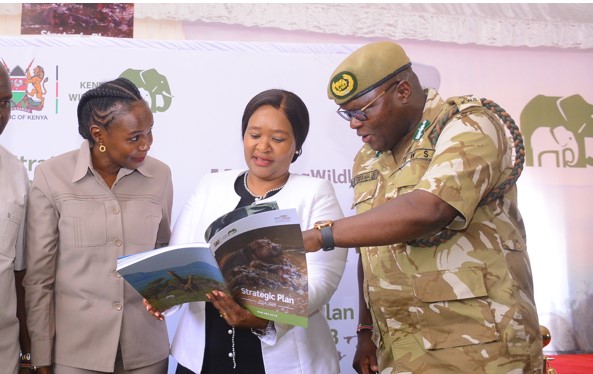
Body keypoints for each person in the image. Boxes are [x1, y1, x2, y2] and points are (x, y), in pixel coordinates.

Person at [302, 41, 544, 373]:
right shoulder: (368, 157)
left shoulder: (468, 125)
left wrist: (320, 236)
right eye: (347, 114)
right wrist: (366, 332)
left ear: (402, 91)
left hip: (479, 347)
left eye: (362, 111)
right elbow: (369, 247)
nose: (354, 124)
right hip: (402, 350)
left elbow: (430, 209)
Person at [162, 89, 347, 373]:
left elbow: (323, 281)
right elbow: (179, 257)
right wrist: (164, 293)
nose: (263, 147)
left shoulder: (315, 193)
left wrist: (267, 321)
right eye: (254, 134)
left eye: (278, 138)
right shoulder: (210, 185)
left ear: (297, 145)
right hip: (203, 355)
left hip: (284, 358)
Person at [24, 77, 172, 373]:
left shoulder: (161, 176)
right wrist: (40, 358)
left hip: (146, 353)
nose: (147, 144)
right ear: (99, 134)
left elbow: (162, 252)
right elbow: (39, 278)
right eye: (134, 137)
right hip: (76, 355)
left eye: (150, 132)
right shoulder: (51, 176)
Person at [0, 65, 33, 373]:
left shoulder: (15, 173)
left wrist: (27, 354)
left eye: (5, 102)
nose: (1, 113)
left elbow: (20, 273)